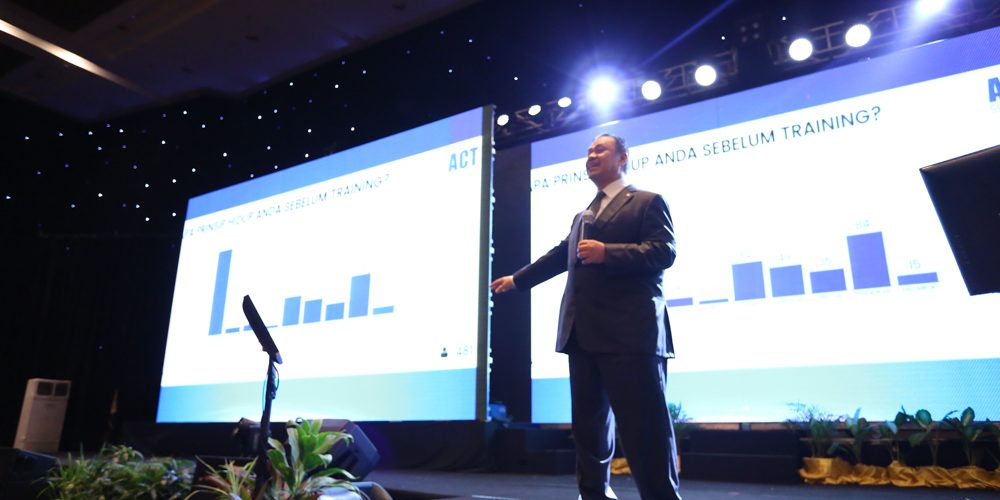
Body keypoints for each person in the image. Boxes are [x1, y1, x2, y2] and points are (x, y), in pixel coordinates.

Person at [491, 133, 681, 500]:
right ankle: (594, 495)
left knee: (645, 428)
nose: (591, 155)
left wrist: (608, 252)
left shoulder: (647, 201)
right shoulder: (584, 215)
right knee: (589, 429)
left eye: (600, 149)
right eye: (589, 150)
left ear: (623, 158)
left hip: (631, 335)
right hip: (582, 335)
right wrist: (517, 280)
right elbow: (560, 255)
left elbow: (664, 252)